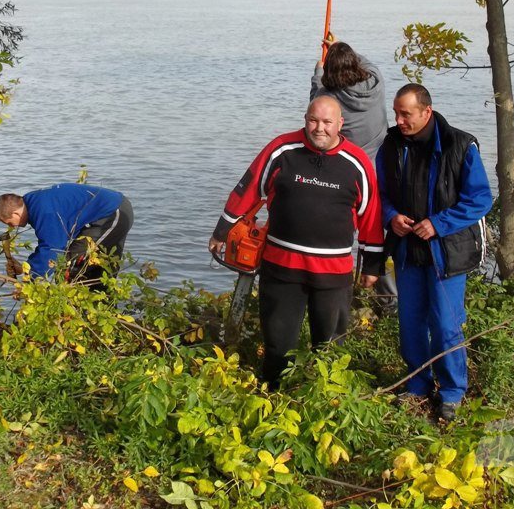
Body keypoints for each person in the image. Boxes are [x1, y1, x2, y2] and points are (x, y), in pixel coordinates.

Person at [208, 96, 383, 388]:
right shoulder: (282, 150)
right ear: (305, 118)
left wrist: (372, 265)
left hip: (333, 275)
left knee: (329, 350)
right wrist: (221, 232)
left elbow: (372, 216)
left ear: (340, 124)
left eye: (327, 122)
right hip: (281, 270)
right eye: (314, 120)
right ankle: (274, 401)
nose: (320, 128)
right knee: (277, 348)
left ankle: (325, 403)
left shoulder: (357, 163)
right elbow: (248, 188)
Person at [360, 83, 493, 422]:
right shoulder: (391, 146)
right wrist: (392, 217)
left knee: (447, 324)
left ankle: (451, 391)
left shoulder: (460, 145)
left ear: (426, 112)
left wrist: (439, 223)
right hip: (407, 251)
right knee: (411, 323)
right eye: (396, 113)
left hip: (446, 253)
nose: (399, 120)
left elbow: (479, 200)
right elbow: (382, 195)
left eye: (406, 114)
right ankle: (418, 384)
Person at [311, 39, 396, 313]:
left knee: (342, 232)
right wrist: (338, 46)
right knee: (375, 234)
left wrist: (317, 69)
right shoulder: (376, 81)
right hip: (382, 169)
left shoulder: (331, 99)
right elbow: (365, 62)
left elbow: (317, 104)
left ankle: (336, 287)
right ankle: (388, 300)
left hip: (351, 174)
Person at [0, 184, 133, 286]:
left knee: (71, 267)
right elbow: (49, 244)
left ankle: (77, 312)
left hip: (112, 213)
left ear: (16, 213)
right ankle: (100, 312)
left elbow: (52, 249)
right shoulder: (32, 202)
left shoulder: (43, 211)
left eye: (10, 223)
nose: (11, 227)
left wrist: (28, 280)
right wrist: (25, 268)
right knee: (100, 268)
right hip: (111, 210)